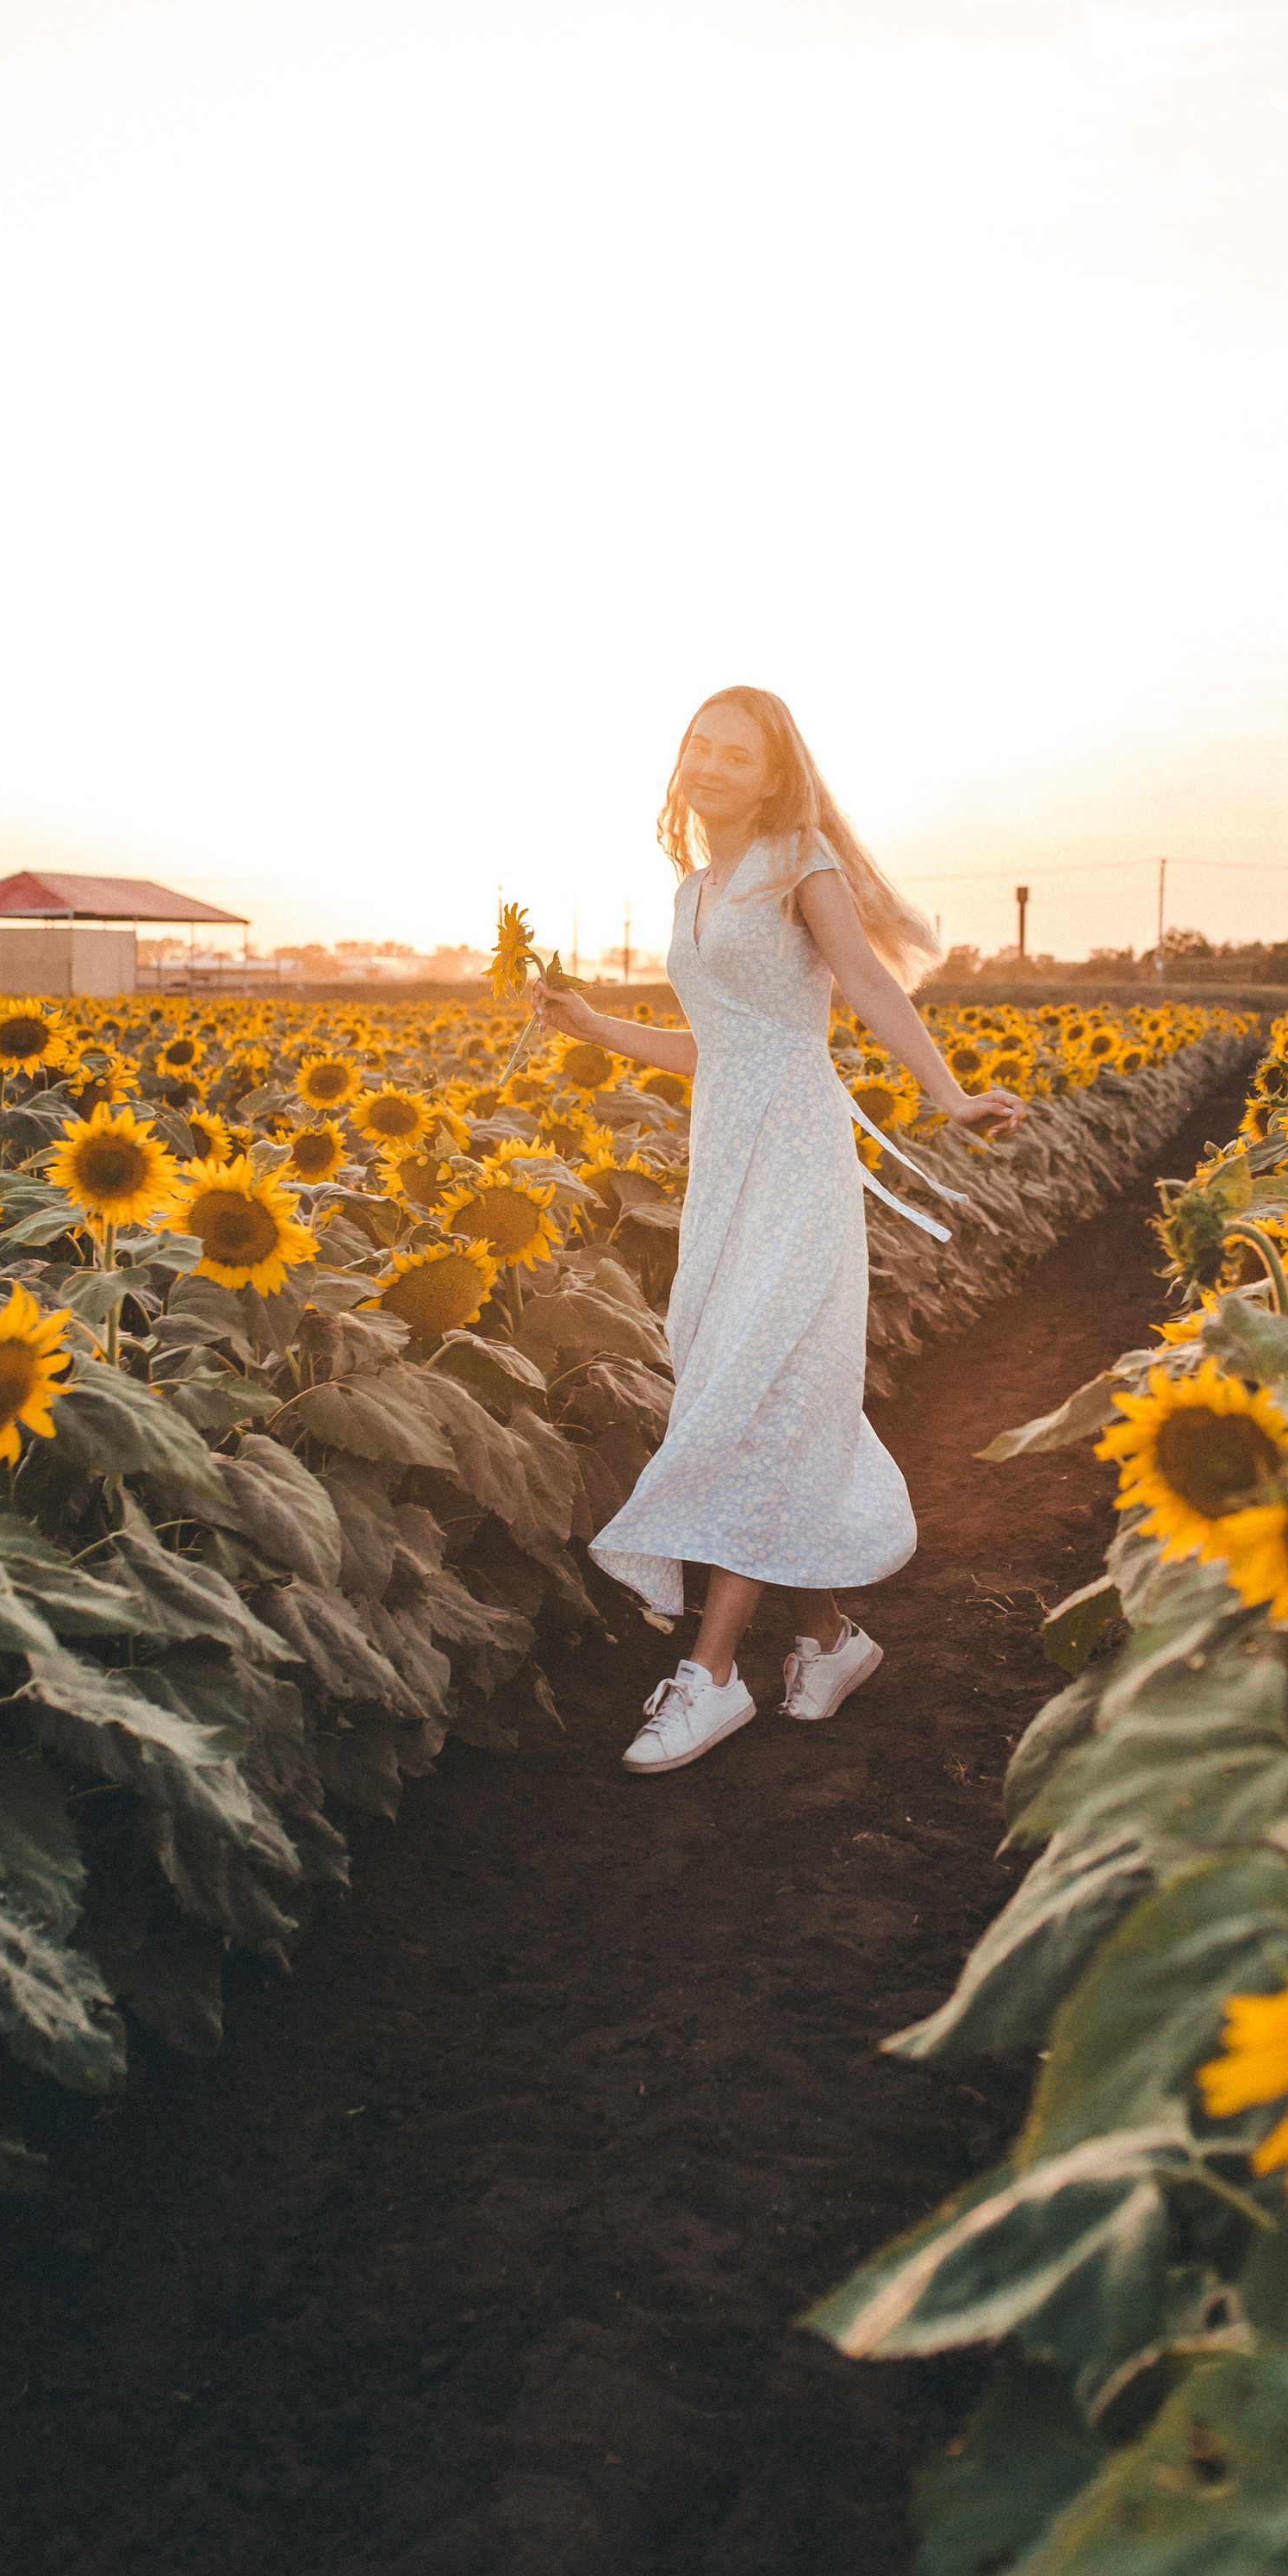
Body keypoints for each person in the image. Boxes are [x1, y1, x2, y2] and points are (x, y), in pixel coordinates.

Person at [532, 688, 1025, 1774]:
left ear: (771, 775)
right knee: (738, 1379)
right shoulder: (691, 888)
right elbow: (718, 1044)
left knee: (749, 1385)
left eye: (733, 752)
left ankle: (711, 1678)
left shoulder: (801, 861)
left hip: (800, 1156)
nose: (707, 763)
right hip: (726, 1164)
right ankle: (828, 1637)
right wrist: (589, 1023)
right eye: (696, 745)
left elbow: (865, 987)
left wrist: (946, 1096)